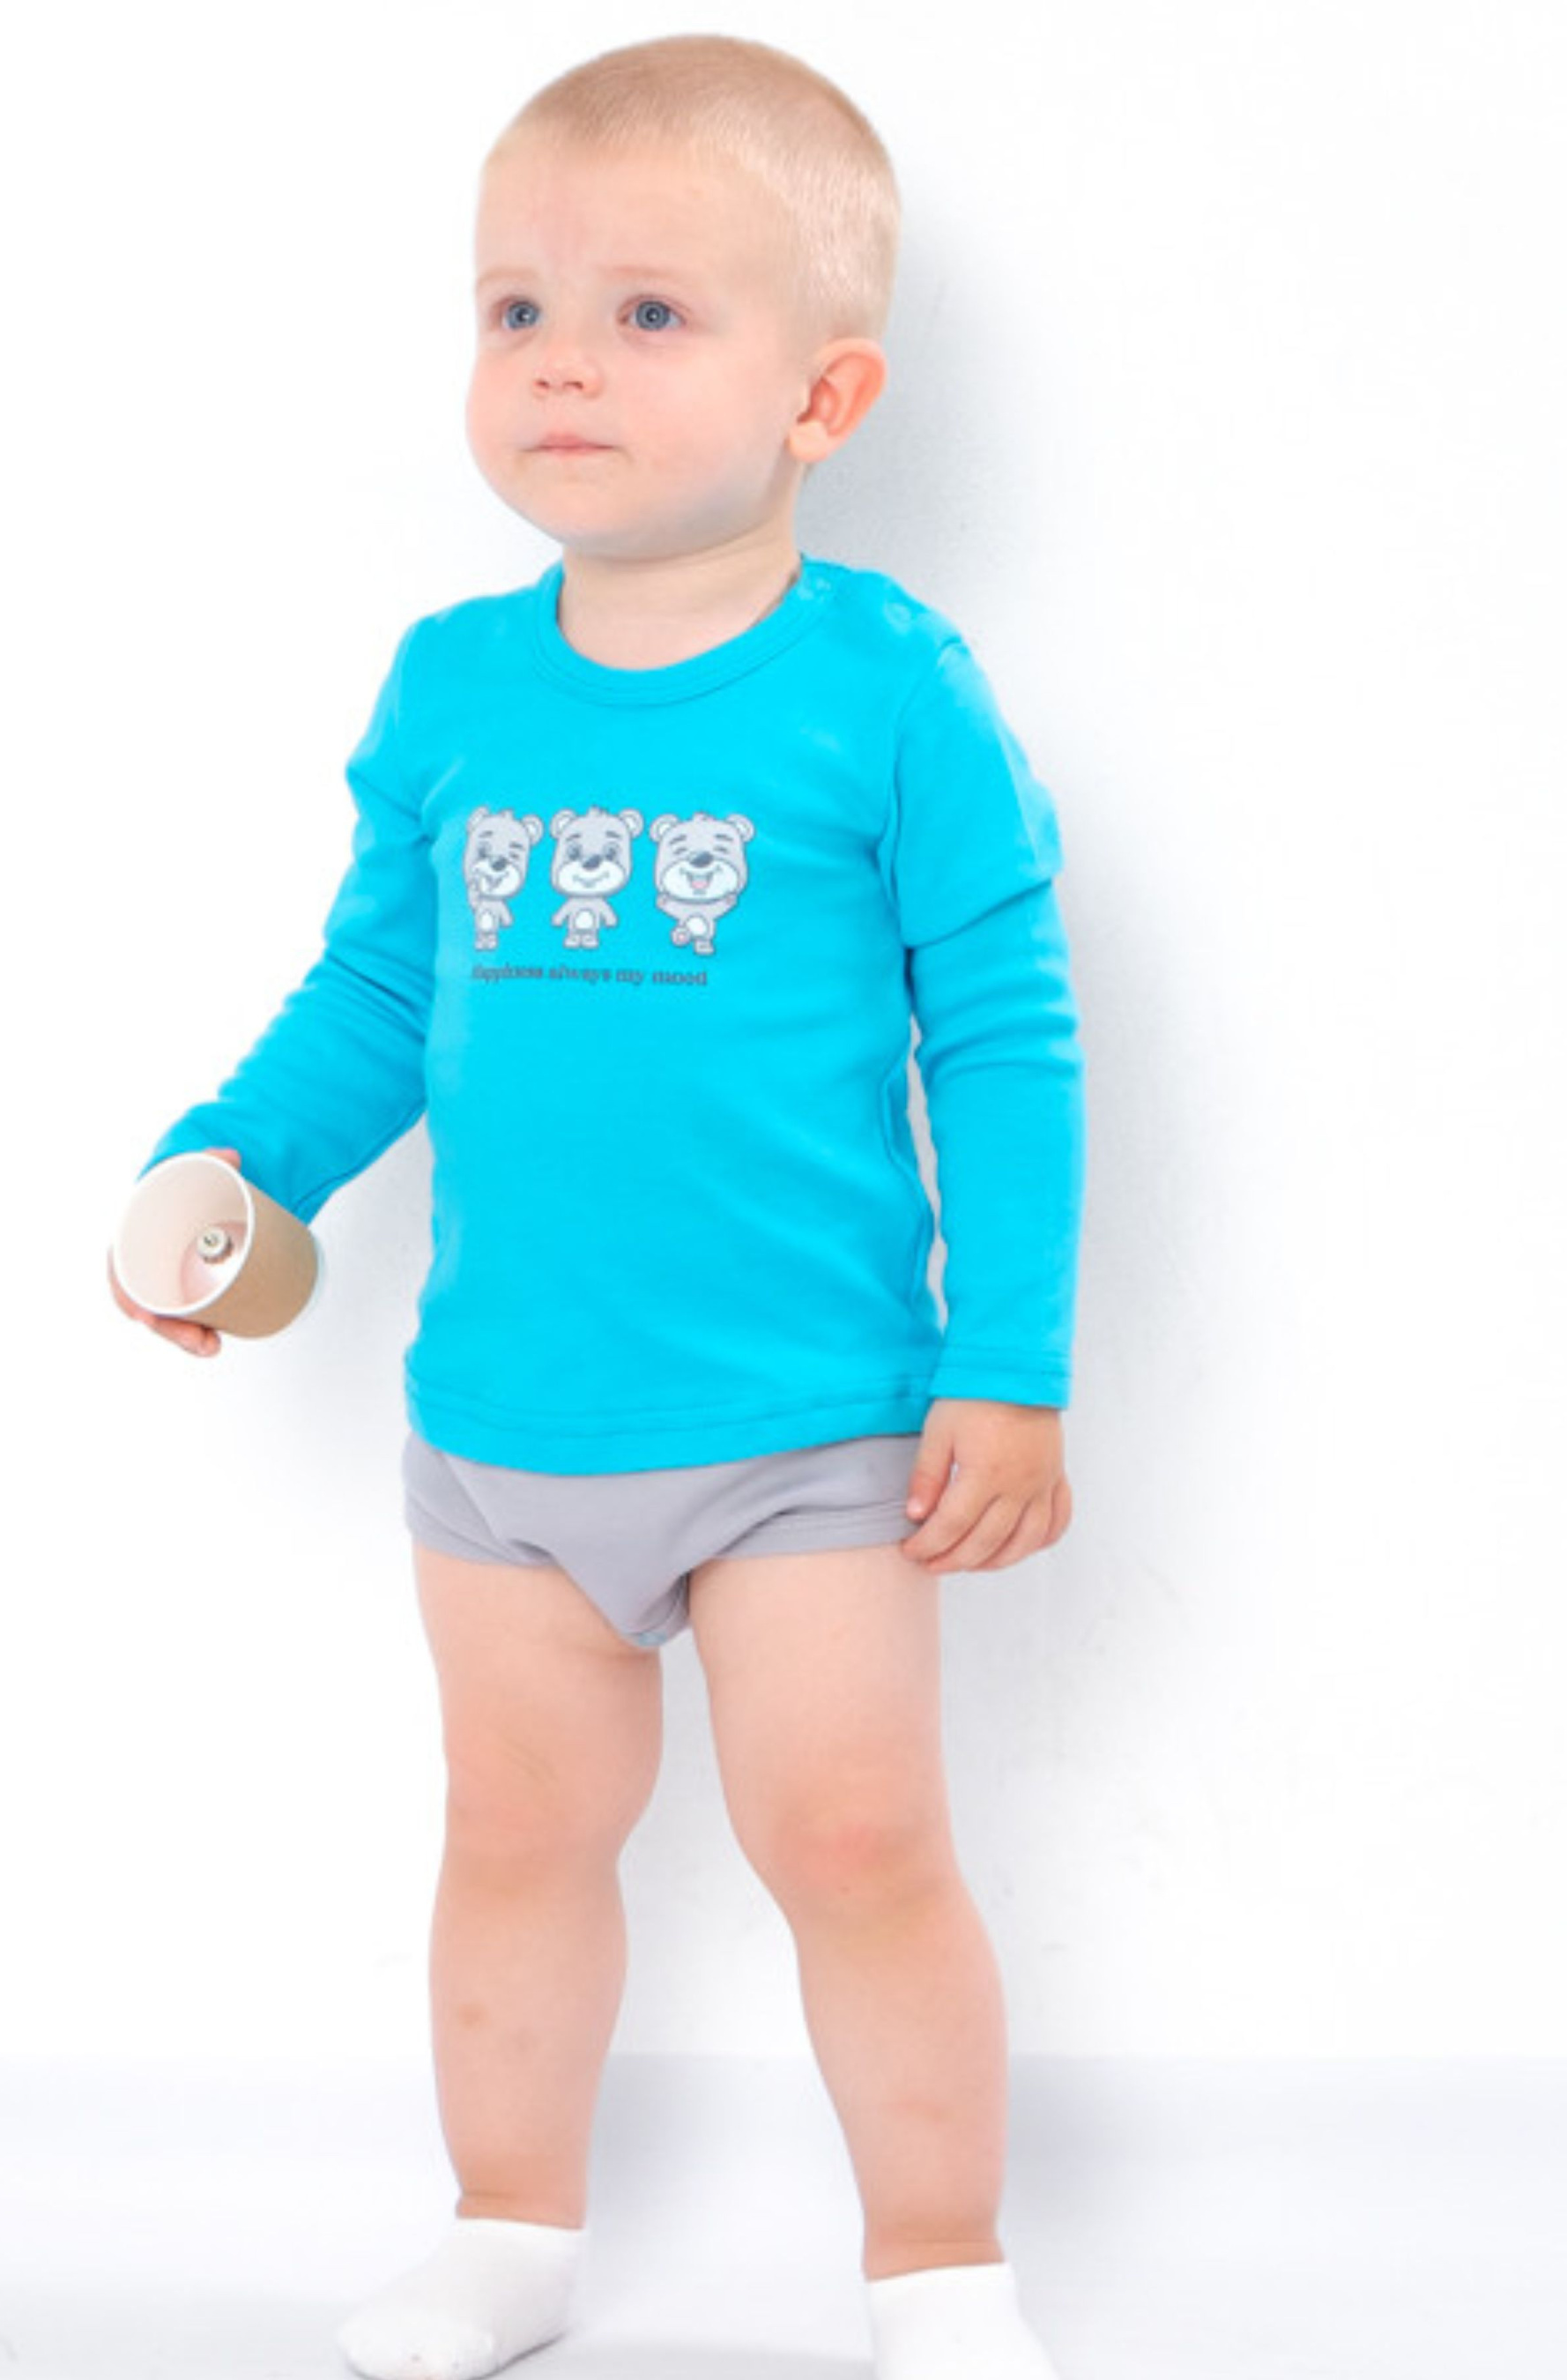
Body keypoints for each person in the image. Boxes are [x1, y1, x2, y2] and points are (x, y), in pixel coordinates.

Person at [111, 33, 1084, 2380]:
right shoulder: (455, 684)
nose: (562, 359)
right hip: (504, 1425)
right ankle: (507, 2230)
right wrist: (226, 1159)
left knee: (853, 1841)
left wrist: (1011, 1361)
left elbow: (1005, 1035)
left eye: (648, 313)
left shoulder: (887, 688)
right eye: (515, 307)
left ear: (823, 394)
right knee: (517, 1838)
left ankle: (939, 2268)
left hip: (809, 1428)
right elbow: (380, 986)